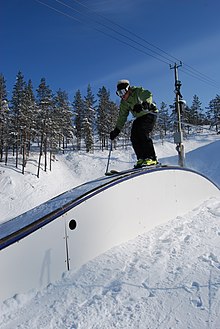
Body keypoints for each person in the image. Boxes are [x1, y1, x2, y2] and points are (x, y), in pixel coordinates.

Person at [110, 79, 158, 168]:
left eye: (123, 92)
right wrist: (116, 130)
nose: (122, 95)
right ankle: (141, 158)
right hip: (140, 117)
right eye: (119, 93)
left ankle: (151, 158)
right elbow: (122, 117)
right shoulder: (124, 102)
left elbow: (147, 94)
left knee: (142, 131)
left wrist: (145, 104)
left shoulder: (137, 91)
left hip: (149, 113)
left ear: (128, 89)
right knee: (134, 135)